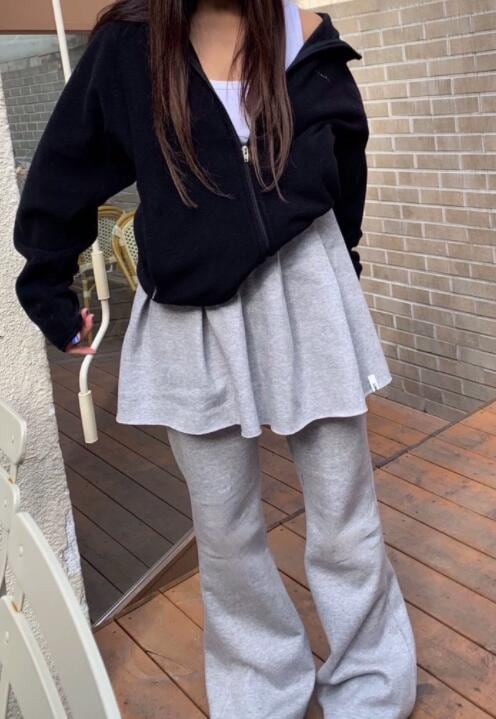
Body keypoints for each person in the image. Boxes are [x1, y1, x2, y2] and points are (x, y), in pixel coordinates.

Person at [12, 0, 417, 716]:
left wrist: (343, 264)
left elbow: (345, 157)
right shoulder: (130, 46)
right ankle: (262, 692)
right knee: (226, 532)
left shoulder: (307, 35)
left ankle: (372, 688)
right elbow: (65, 167)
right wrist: (48, 286)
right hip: (192, 311)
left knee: (345, 517)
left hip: (308, 292)